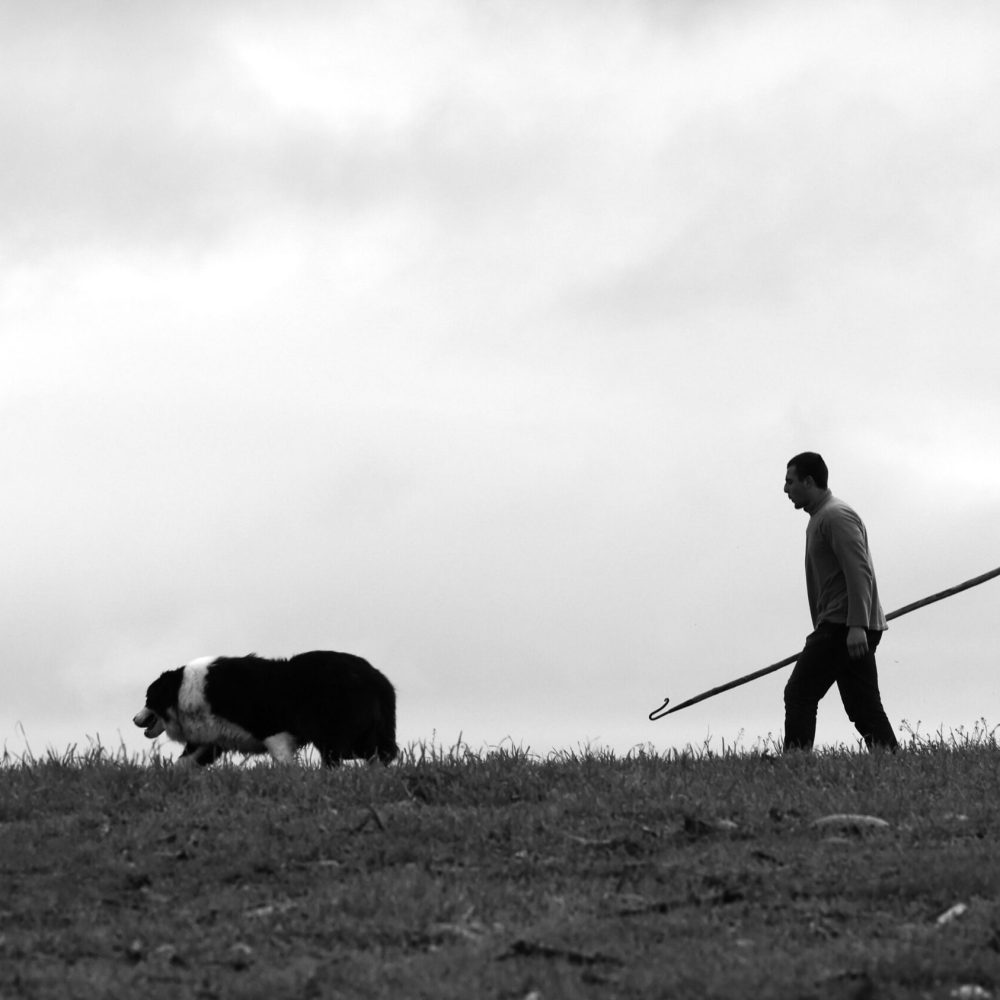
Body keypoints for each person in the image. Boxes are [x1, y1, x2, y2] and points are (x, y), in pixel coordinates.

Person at [782, 452, 898, 752]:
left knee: (799, 692)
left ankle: (795, 765)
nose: (786, 489)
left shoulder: (835, 515)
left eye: (790, 481)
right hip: (843, 625)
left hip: (844, 625)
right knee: (863, 706)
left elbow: (859, 570)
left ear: (809, 481)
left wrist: (858, 625)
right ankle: (891, 759)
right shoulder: (820, 517)